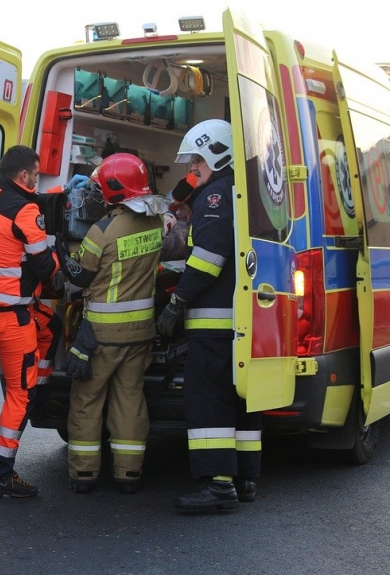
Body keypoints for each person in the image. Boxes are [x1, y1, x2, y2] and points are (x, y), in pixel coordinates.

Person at [156, 119, 262, 510]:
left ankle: (218, 486)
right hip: (239, 319)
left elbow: (209, 259)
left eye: (197, 161)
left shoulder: (215, 197)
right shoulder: (236, 190)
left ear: (218, 155)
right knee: (240, 400)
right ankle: (245, 478)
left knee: (207, 398)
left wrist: (176, 303)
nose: (191, 170)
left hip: (214, 323)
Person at [56, 153, 164, 495]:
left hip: (100, 336)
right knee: (130, 399)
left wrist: (61, 249)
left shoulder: (101, 232)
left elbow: (79, 276)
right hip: (140, 334)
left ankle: (84, 474)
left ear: (114, 191)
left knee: (87, 400)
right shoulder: (156, 223)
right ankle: (128, 473)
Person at [0, 145, 60, 498]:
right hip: (10, 314)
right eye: (36, 175)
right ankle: (0, 475)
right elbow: (43, 266)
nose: (37, 181)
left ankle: (40, 390)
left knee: (51, 327)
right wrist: (56, 259)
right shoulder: (26, 208)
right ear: (23, 176)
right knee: (19, 397)